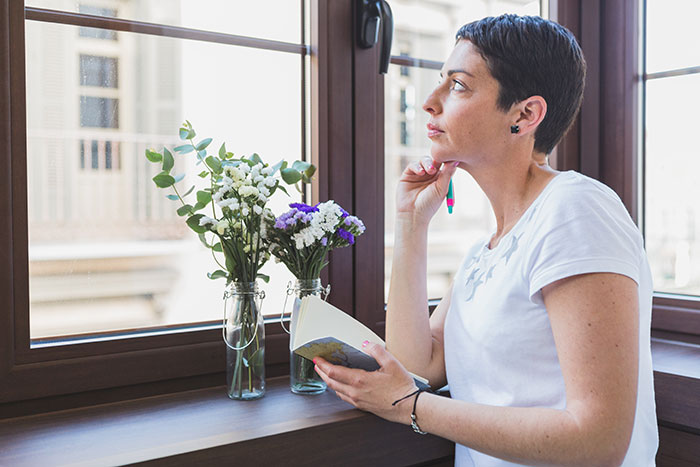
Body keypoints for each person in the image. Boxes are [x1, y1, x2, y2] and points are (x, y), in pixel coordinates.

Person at [313, 14, 658, 467]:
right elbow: (418, 363)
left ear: (525, 114)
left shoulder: (575, 209)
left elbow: (598, 440)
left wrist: (410, 407)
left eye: (457, 85)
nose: (429, 103)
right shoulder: (486, 251)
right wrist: (411, 225)